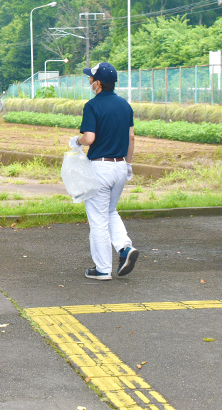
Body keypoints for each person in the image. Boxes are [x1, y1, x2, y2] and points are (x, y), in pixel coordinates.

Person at [69, 62, 140, 281]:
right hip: (120, 166)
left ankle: (102, 269)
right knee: (109, 211)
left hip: (100, 167)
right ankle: (125, 248)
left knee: (98, 219)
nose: (89, 81)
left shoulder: (92, 106)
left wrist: (77, 141)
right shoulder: (125, 105)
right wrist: (128, 164)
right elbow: (131, 137)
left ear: (98, 83)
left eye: (91, 78)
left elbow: (89, 138)